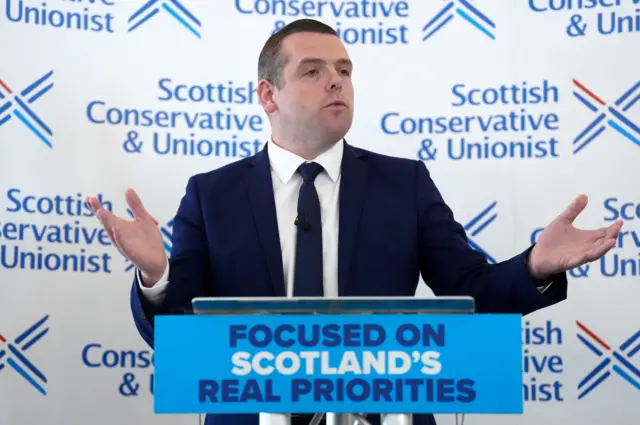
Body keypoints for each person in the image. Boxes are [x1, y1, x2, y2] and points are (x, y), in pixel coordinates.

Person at [86, 18, 622, 425]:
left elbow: (469, 292)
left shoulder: (404, 183)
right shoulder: (212, 194)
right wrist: (157, 278)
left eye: (343, 71)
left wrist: (534, 266)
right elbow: (183, 337)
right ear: (267, 94)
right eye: (313, 72)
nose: (336, 82)